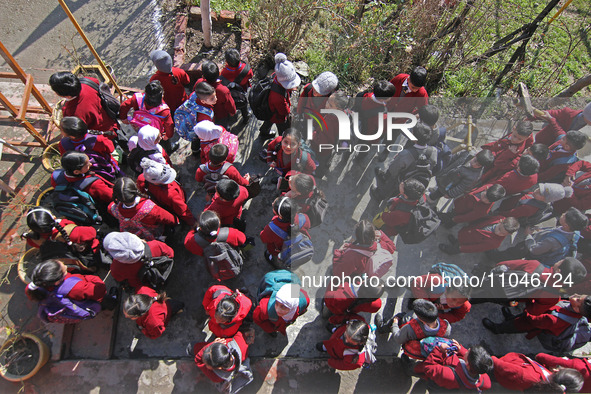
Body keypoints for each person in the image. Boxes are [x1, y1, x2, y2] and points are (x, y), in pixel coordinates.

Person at [482, 294, 591, 351]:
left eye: (578, 300)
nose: (575, 295)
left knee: (512, 326)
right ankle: (510, 317)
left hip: (529, 322)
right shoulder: (570, 306)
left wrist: (531, 306)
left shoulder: (557, 320)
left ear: (577, 309)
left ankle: (497, 329)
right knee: (516, 318)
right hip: (536, 312)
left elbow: (534, 321)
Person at [488, 207, 588, 265]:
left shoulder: (553, 241)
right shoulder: (574, 233)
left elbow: (534, 250)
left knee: (513, 253)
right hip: (539, 242)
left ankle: (495, 258)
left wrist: (528, 236)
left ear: (566, 225)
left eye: (564, 215)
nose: (562, 213)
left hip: (530, 248)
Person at [26, 259, 115, 323]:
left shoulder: (37, 286)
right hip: (90, 300)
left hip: (70, 302)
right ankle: (112, 303)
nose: (64, 264)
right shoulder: (75, 288)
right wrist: (93, 279)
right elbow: (99, 291)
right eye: (63, 269)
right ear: (57, 281)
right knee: (104, 301)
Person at [22, 207, 103, 272]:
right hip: (85, 258)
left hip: (68, 265)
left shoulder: (31, 239)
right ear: (53, 218)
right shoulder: (68, 230)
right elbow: (92, 233)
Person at [371, 123, 437, 201]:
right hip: (413, 181)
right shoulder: (433, 151)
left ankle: (380, 195)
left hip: (400, 179)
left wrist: (388, 176)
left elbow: (393, 170)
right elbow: (433, 164)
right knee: (398, 191)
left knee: (390, 185)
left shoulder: (406, 154)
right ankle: (393, 196)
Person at [49, 71, 119, 136]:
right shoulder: (87, 81)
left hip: (102, 134)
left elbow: (77, 130)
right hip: (110, 120)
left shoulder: (72, 113)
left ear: (66, 95)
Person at [109, 177, 177, 241]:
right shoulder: (149, 208)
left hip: (133, 236)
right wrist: (176, 221)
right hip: (152, 232)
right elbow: (167, 218)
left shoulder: (112, 209)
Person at [103, 231, 174, 290]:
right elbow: (171, 254)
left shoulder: (116, 268)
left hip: (144, 284)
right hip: (163, 269)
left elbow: (119, 278)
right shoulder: (154, 245)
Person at [58, 116, 120, 182]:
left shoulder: (63, 144)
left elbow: (65, 158)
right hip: (104, 165)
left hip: (85, 172)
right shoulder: (97, 139)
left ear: (72, 136)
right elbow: (110, 149)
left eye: (61, 130)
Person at [136, 158, 195, 226]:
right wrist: (192, 221)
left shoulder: (141, 178)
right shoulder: (171, 194)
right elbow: (182, 210)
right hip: (176, 204)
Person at [426, 149, 494, 205]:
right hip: (444, 175)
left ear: (482, 166)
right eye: (475, 160)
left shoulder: (474, 176)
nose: (474, 163)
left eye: (478, 165)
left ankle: (430, 199)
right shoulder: (467, 153)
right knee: (438, 184)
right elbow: (454, 157)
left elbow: (461, 188)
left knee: (438, 193)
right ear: (476, 155)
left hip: (447, 187)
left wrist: (450, 194)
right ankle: (435, 189)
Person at [332, 220, 396, 278]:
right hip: (367, 274)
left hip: (356, 276)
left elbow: (338, 274)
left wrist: (338, 253)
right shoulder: (380, 245)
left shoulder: (352, 256)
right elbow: (392, 248)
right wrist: (381, 235)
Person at [253, 270, 310, 336]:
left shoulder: (304, 300)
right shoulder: (264, 308)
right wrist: (270, 329)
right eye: (276, 303)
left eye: (283, 306)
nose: (277, 310)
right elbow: (257, 319)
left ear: (293, 306)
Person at [258, 53, 301, 139]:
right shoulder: (278, 97)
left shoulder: (275, 75)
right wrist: (289, 112)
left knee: (269, 121)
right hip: (277, 115)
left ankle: (264, 131)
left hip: (270, 109)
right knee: (283, 130)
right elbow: (284, 112)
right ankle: (281, 140)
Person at [492, 352, 584, 392]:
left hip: (498, 369)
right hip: (508, 377)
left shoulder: (528, 375)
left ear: (560, 373)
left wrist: (491, 359)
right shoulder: (551, 387)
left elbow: (502, 367)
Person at [419, 342, 493, 391]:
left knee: (417, 369)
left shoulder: (448, 375)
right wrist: (461, 351)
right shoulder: (484, 380)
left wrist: (439, 351)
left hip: (437, 382)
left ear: (467, 363)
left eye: (468, 352)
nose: (468, 349)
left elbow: (428, 367)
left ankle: (409, 369)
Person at [259, 196, 311, 265]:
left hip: (280, 249)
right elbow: (308, 226)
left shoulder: (271, 229)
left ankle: (276, 263)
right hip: (299, 245)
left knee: (273, 253)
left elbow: (263, 238)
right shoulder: (303, 218)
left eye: (274, 205)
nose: (272, 204)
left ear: (280, 216)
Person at [494, 183, 572, 226]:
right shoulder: (535, 195)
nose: (536, 191)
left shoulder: (529, 208)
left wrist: (498, 214)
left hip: (504, 211)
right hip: (507, 204)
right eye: (539, 189)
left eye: (540, 193)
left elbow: (511, 214)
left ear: (545, 199)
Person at [439, 216, 520, 255]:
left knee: (457, 248)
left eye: (503, 234)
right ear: (501, 222)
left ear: (508, 234)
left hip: (469, 243)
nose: (499, 233)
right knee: (459, 240)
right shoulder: (498, 218)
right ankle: (455, 242)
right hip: (467, 233)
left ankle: (450, 250)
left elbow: (477, 248)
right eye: (499, 229)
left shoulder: (494, 243)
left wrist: (463, 248)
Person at [438, 184, 506, 227]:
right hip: (461, 203)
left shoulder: (483, 210)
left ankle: (443, 222)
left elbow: (467, 217)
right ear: (486, 189)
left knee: (451, 219)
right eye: (485, 196)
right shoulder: (487, 186)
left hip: (460, 213)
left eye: (488, 200)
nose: (484, 199)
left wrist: (456, 219)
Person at [194, 61, 236, 129]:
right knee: (223, 127)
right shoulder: (223, 90)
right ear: (219, 73)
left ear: (203, 76)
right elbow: (230, 104)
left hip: (206, 115)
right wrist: (232, 112)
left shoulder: (198, 83)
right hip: (221, 115)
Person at [149, 50, 190, 114]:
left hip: (168, 106)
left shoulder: (154, 79)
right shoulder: (179, 71)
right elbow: (187, 81)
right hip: (183, 102)